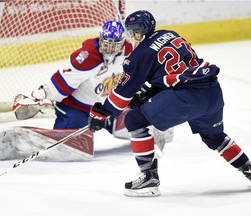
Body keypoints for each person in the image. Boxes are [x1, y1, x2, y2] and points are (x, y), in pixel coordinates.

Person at [88, 10, 251, 197]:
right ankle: (248, 168)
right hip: (212, 91)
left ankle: (148, 177)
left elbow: (121, 96)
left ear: (139, 33)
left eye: (132, 33)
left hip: (187, 97)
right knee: (215, 137)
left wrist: (102, 112)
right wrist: (151, 92)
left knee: (134, 119)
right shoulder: (170, 34)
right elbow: (179, 69)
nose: (131, 38)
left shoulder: (139, 55)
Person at [0, 20, 173, 161]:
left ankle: (160, 124)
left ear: (122, 42)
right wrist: (38, 96)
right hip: (77, 107)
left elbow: (138, 72)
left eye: (114, 44)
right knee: (74, 147)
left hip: (108, 107)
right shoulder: (87, 57)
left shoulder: (129, 50)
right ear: (100, 39)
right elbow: (61, 82)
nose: (109, 48)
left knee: (132, 120)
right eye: (106, 43)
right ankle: (13, 143)